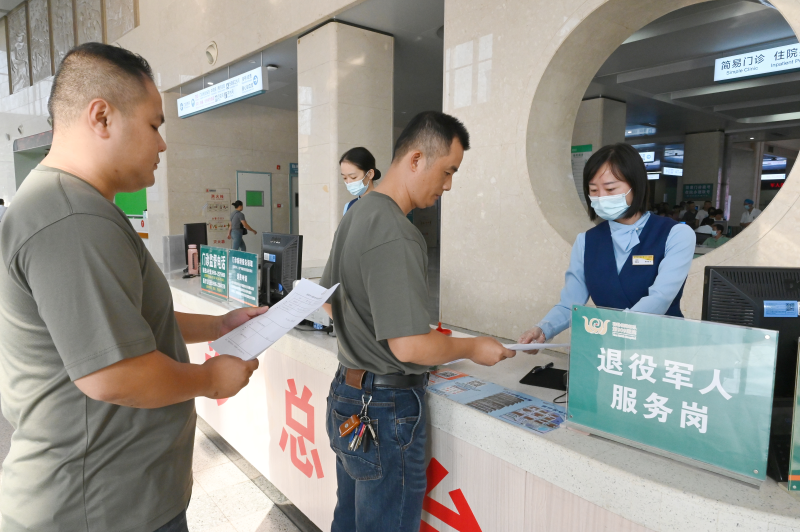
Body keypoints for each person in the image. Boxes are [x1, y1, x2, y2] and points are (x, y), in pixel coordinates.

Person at [0, 43, 264, 532]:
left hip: (119, 497)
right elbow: (113, 374)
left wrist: (219, 324)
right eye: (154, 125)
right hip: (98, 507)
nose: (162, 145)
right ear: (102, 117)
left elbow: (130, 324)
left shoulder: (73, 206)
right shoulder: (72, 217)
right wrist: (211, 380)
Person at [319, 111, 514, 532]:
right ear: (416, 158)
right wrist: (472, 347)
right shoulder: (397, 231)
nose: (448, 186)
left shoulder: (356, 212)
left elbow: (329, 302)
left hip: (347, 394)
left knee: (349, 521)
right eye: (447, 172)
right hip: (386, 409)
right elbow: (409, 347)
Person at [518, 143, 695, 352]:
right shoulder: (586, 241)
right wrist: (543, 329)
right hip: (610, 352)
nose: (601, 197)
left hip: (661, 349)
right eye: (594, 190)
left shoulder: (676, 234)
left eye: (610, 189)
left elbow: (660, 298)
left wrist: (618, 332)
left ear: (635, 186)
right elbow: (570, 304)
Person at [340, 147, 381, 215]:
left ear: (370, 174)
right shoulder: (349, 207)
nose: (348, 182)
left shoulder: (386, 204)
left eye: (353, 177)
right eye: (344, 178)